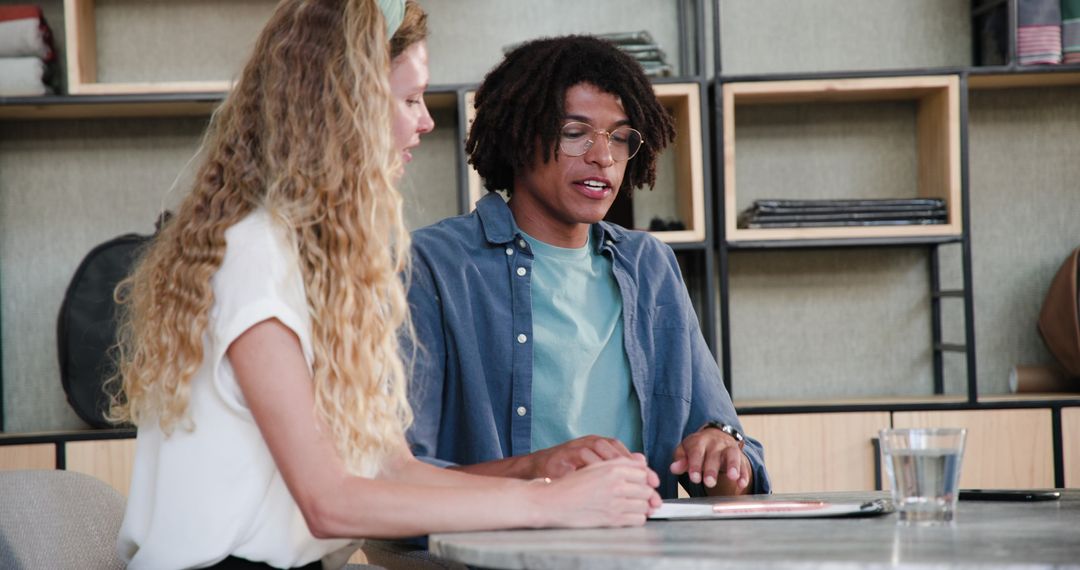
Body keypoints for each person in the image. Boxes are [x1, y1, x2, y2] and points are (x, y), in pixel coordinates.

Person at [109, 3, 660, 569]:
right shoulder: (253, 255)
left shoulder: (320, 263)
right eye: (409, 98)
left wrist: (540, 479)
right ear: (345, 105)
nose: (426, 121)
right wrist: (552, 505)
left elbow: (394, 469)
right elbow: (329, 504)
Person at [407, 35, 771, 500]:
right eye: (575, 133)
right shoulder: (433, 265)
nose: (603, 156)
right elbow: (399, 475)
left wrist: (722, 454)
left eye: (619, 137)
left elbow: (729, 458)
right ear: (519, 136)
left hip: (643, 547)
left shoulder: (649, 265)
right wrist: (535, 472)